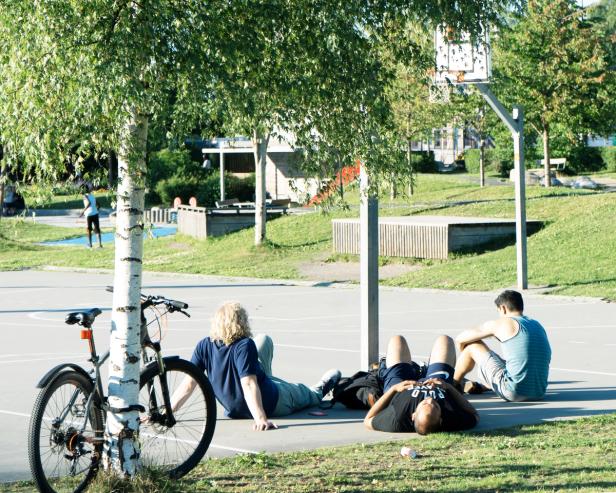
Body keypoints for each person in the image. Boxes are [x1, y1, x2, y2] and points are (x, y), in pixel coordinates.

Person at [174, 301, 341, 431]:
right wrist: (261, 418)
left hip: (234, 410)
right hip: (273, 402)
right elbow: (248, 383)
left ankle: (267, 379)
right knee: (300, 392)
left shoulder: (204, 345)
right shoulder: (244, 345)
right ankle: (319, 390)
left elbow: (189, 384)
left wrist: (167, 412)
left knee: (263, 340)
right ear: (241, 322)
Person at [364, 335, 479, 435]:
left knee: (397, 340)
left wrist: (394, 389)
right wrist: (449, 387)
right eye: (436, 406)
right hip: (437, 382)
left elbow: (368, 420)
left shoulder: (397, 420)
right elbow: (475, 415)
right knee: (445, 340)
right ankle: (456, 382)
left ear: (413, 415)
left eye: (424, 404)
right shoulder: (450, 419)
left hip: (400, 386)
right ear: (440, 419)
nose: (429, 400)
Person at [453, 290, 552, 402]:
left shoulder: (503, 323)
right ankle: (484, 385)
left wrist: (465, 355)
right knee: (512, 361)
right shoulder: (536, 325)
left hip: (513, 392)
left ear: (503, 308)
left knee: (472, 346)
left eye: (498, 311)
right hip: (539, 392)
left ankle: (452, 386)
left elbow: (460, 339)